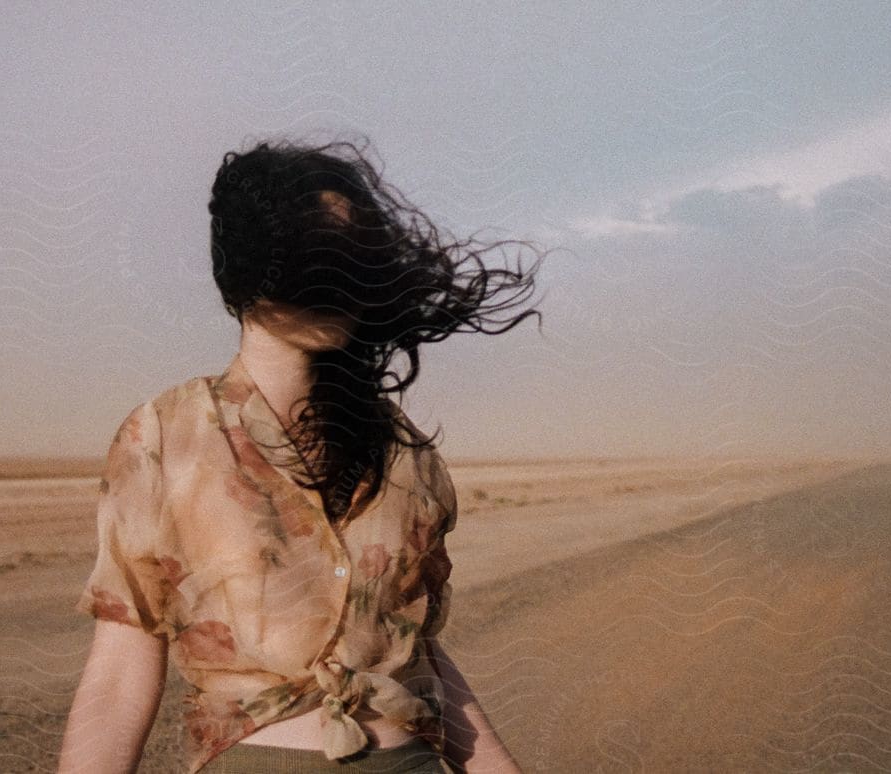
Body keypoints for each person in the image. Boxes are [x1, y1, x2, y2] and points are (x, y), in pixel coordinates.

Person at [58, 136, 547, 773]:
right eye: (317, 255)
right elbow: (121, 669)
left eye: (353, 256)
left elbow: (413, 648)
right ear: (250, 267)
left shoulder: (404, 451)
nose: (337, 280)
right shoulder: (163, 438)